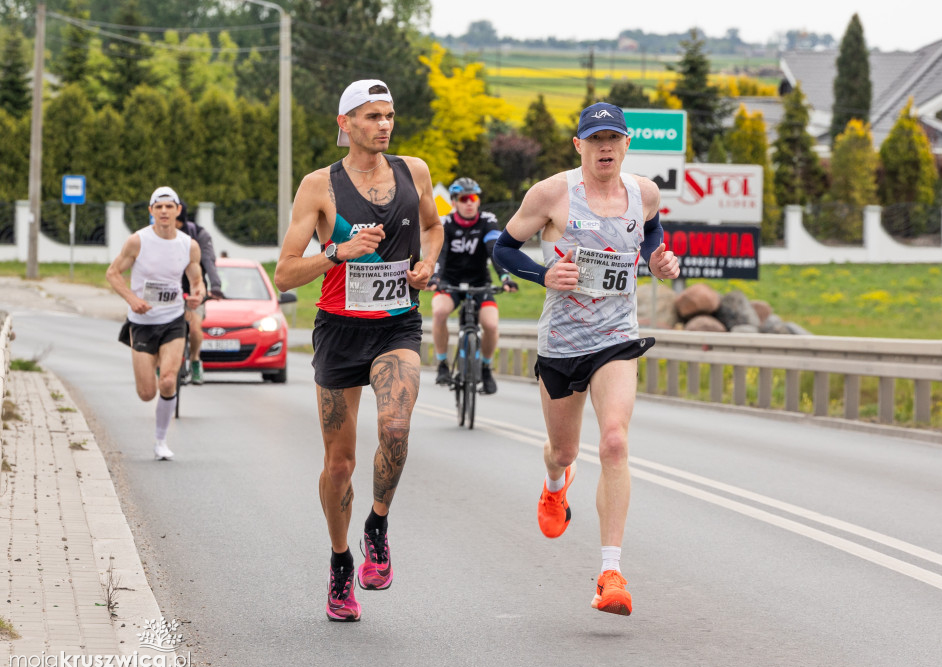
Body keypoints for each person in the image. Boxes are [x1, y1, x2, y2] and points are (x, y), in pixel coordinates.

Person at [492, 102, 680, 616]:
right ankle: (555, 486)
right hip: (563, 340)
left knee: (615, 442)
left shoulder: (644, 193)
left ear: (625, 144)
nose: (604, 148)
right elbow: (503, 249)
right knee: (564, 451)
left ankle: (610, 573)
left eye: (613, 139)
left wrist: (658, 260)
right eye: (594, 139)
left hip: (617, 334)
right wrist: (542, 274)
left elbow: (652, 233)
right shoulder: (553, 193)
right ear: (579, 146)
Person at [273, 79, 443, 623]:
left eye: (390, 115)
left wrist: (426, 265)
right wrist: (337, 252)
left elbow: (433, 228)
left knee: (395, 427)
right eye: (373, 117)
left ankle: (377, 524)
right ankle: (341, 562)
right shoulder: (319, 186)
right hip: (340, 331)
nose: (385, 125)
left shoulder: (413, 171)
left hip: (396, 324)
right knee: (339, 464)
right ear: (345, 123)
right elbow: (284, 273)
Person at [107, 186, 205, 461]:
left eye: (168, 206)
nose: (163, 211)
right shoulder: (137, 241)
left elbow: (197, 282)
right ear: (151, 211)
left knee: (168, 381)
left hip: (173, 319)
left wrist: (198, 295)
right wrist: (131, 299)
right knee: (147, 393)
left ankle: (161, 441)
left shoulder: (188, 245)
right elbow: (113, 273)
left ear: (177, 211)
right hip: (142, 321)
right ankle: (152, 376)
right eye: (158, 206)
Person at [428, 176, 517, 394]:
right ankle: (442, 364)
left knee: (491, 325)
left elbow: (494, 250)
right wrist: (435, 278)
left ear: (478, 201)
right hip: (450, 282)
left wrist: (505, 277)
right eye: (464, 198)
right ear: (455, 202)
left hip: (480, 283)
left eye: (473, 197)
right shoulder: (445, 223)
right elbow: (440, 254)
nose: (469, 202)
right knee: (439, 312)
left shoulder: (488, 220)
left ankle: (486, 368)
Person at [176, 201, 224, 385]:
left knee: (195, 328)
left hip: (193, 289)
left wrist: (216, 285)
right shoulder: (159, 234)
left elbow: (209, 260)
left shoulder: (199, 235)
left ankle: (195, 360)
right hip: (168, 290)